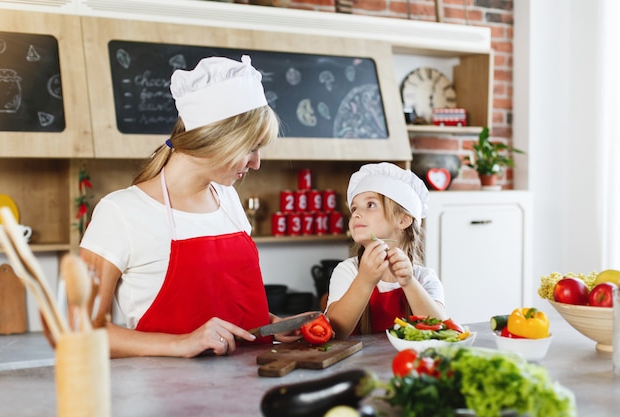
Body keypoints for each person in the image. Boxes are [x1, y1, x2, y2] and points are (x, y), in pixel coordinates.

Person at [79, 55, 300, 358]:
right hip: (167, 398)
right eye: (250, 148)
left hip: (251, 388)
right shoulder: (120, 212)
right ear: (215, 140)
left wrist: (270, 324)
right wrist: (182, 343)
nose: (257, 163)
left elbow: (226, 307)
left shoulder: (228, 200)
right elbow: (81, 332)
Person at [325, 162, 446, 338]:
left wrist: (409, 283)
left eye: (371, 205)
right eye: (354, 208)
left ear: (403, 220)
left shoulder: (424, 278)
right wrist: (365, 280)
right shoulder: (348, 271)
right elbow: (336, 331)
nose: (356, 214)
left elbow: (441, 330)